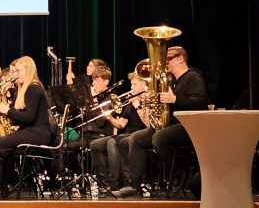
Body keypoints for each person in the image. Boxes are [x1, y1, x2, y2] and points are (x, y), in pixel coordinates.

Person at [112, 47, 210, 198]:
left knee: (160, 138)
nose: (165, 63)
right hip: (173, 124)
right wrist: (152, 100)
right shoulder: (174, 81)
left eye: (168, 59)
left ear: (181, 59)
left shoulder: (193, 76)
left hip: (188, 127)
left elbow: (201, 102)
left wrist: (175, 99)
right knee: (134, 139)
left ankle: (178, 175)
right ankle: (134, 185)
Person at [0, 56, 52, 199]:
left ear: (28, 70)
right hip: (27, 130)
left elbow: (29, 116)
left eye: (18, 71)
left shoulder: (33, 88)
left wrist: (6, 110)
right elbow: (24, 116)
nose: (15, 74)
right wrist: (14, 123)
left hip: (38, 133)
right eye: (15, 71)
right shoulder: (22, 88)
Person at [90, 70, 148, 192]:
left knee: (113, 142)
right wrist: (110, 118)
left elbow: (148, 124)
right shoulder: (131, 102)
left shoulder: (148, 100)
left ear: (145, 84)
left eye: (134, 84)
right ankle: (103, 183)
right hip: (127, 133)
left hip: (141, 134)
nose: (131, 87)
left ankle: (114, 185)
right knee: (95, 145)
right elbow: (121, 124)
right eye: (131, 84)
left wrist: (137, 104)